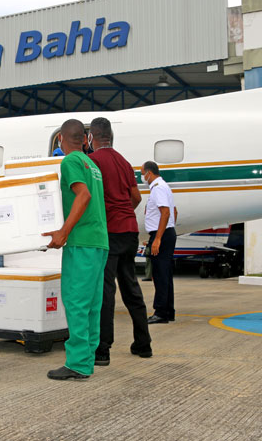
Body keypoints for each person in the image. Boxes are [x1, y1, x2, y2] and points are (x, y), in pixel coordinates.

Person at [43, 119, 108, 380]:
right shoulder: (92, 164)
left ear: (60, 138)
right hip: (98, 241)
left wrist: (63, 231)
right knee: (92, 304)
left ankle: (78, 363)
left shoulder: (70, 162)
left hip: (81, 241)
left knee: (76, 302)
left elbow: (83, 196)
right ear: (84, 139)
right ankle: (87, 358)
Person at [88, 117, 152, 366]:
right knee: (131, 287)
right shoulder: (124, 162)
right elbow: (135, 197)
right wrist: (123, 213)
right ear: (111, 137)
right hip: (129, 231)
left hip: (110, 233)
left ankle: (103, 349)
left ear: (92, 137)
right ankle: (143, 344)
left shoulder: (93, 161)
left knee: (106, 291)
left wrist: (106, 218)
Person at [141, 161, 177, 324]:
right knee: (165, 274)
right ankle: (168, 310)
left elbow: (166, 212)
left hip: (161, 234)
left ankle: (161, 312)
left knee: (160, 274)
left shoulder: (158, 188)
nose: (142, 177)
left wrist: (158, 238)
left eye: (142, 173)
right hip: (165, 233)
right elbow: (173, 211)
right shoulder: (164, 186)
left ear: (149, 172)